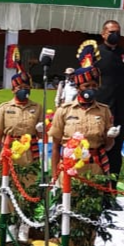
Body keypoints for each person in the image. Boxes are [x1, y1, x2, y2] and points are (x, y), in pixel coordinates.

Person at [50, 44, 117, 180]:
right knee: (70, 200)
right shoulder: (64, 110)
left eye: (94, 86)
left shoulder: (104, 110)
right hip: (71, 167)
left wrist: (110, 136)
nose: (90, 89)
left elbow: (108, 146)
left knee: (95, 199)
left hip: (95, 166)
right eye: (87, 86)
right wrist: (54, 175)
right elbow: (56, 145)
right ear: (79, 87)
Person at [0, 63, 43, 242]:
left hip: (29, 152)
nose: (24, 91)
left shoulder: (37, 107)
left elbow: (42, 134)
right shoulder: (5, 108)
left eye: (27, 88)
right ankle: (11, 226)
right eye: (21, 88)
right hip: (10, 153)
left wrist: (41, 128)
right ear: (13, 89)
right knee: (9, 190)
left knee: (28, 190)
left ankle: (24, 226)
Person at [94, 19, 124, 179]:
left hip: (120, 111)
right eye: (111, 32)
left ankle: (112, 191)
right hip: (100, 109)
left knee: (116, 152)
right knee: (98, 148)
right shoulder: (95, 53)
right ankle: (97, 189)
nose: (115, 35)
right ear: (103, 33)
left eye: (118, 32)